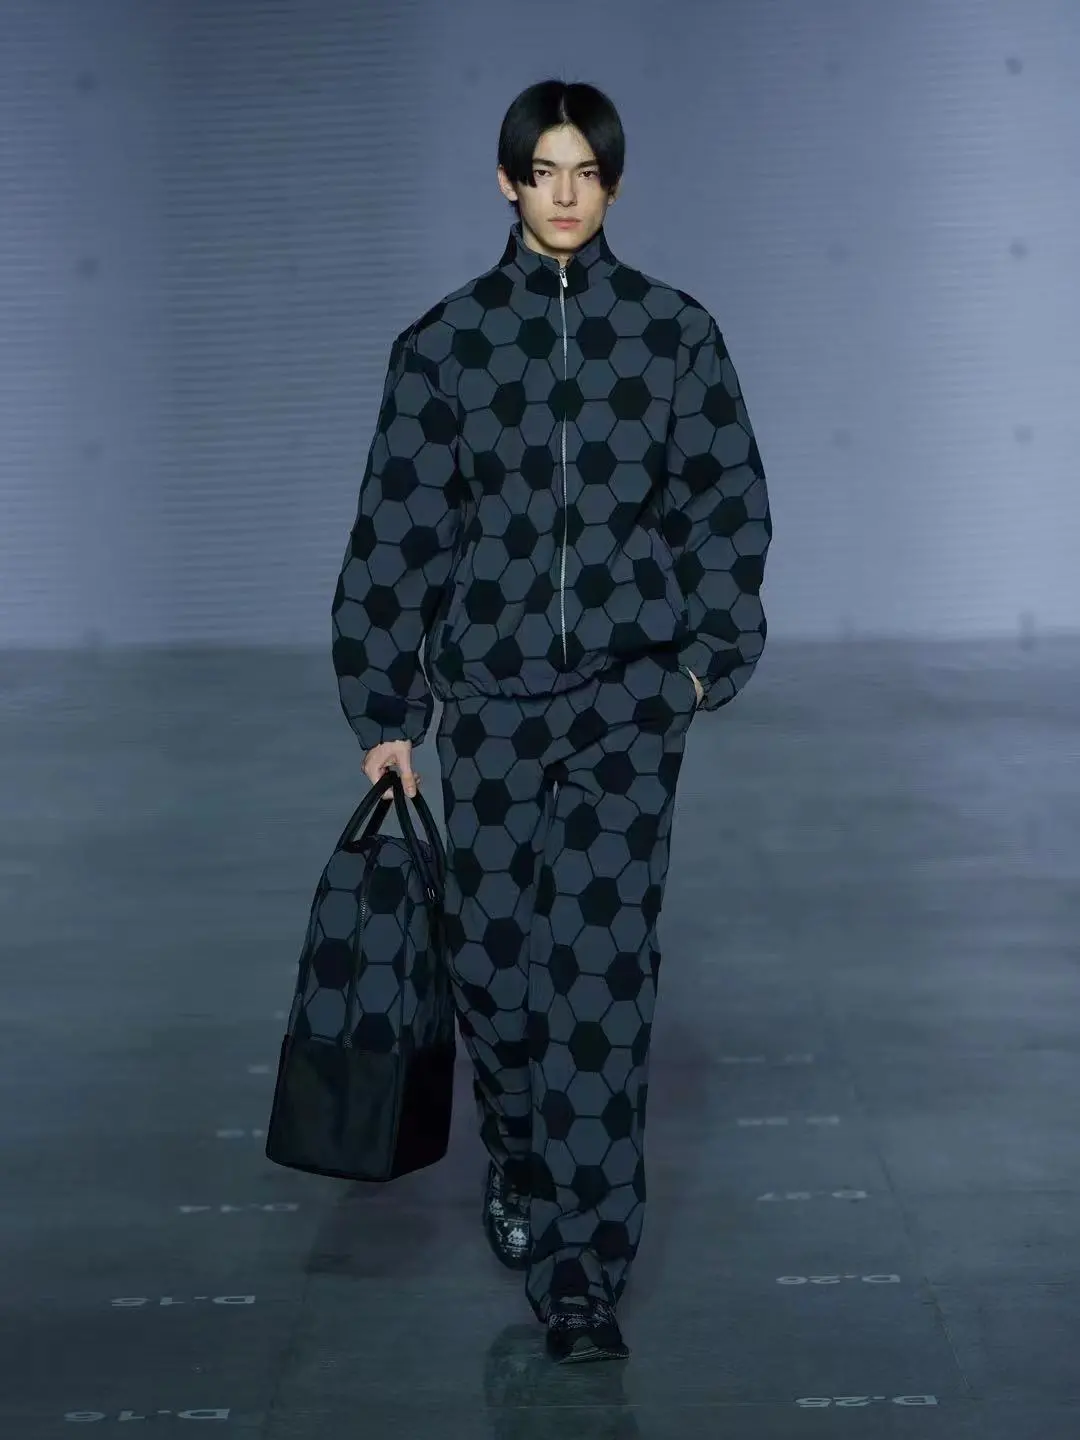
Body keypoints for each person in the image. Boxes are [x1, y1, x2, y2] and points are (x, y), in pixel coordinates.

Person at [331, 77, 772, 1364]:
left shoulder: (674, 336)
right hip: (494, 709)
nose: (566, 192)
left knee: (600, 982)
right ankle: (518, 1150)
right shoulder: (448, 345)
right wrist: (388, 708)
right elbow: (399, 528)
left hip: (628, 709)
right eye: (544, 169)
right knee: (491, 967)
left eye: (586, 170)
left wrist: (697, 673)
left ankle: (581, 1277)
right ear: (508, 182)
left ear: (614, 184)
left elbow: (728, 510)